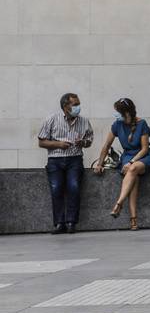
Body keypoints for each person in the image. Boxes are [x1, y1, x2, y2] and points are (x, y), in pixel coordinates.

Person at [93, 98, 150, 230]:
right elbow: (107, 145)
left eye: (118, 112)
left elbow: (144, 148)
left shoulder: (142, 124)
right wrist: (99, 163)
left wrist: (132, 161)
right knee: (134, 177)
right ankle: (133, 220)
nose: (116, 115)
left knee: (132, 169)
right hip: (127, 157)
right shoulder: (117, 125)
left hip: (143, 157)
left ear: (126, 113)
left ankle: (119, 203)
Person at [37, 93, 94, 234]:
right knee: (56, 189)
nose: (78, 107)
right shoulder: (51, 119)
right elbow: (41, 142)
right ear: (65, 106)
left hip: (74, 159)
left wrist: (83, 142)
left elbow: (89, 141)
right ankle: (59, 223)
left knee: (74, 187)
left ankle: (71, 222)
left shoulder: (84, 121)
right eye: (75, 104)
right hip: (55, 160)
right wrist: (58, 144)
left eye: (78, 104)